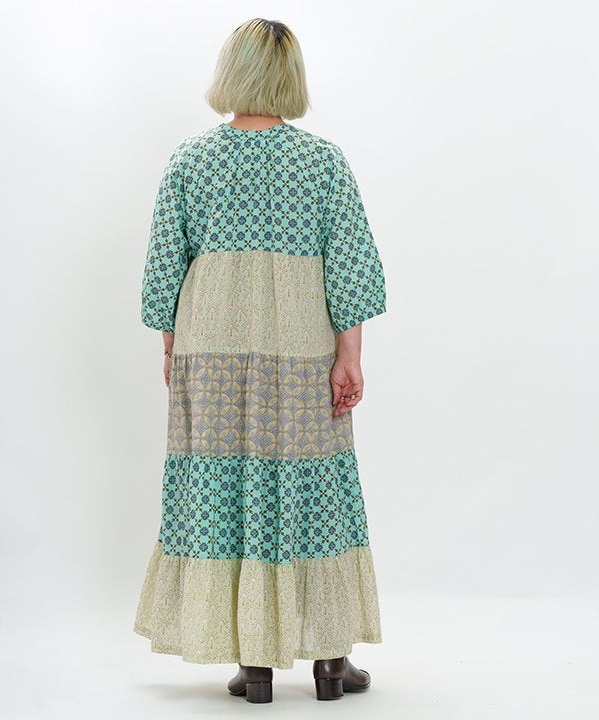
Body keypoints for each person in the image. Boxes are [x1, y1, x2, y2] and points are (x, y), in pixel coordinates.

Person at [132, 17, 387, 704]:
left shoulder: (192, 160)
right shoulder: (322, 162)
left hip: (210, 349)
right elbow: (351, 268)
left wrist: (172, 350)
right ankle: (330, 661)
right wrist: (349, 357)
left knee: (226, 489)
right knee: (316, 490)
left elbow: (164, 270)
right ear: (290, 78)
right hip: (301, 348)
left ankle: (255, 667)